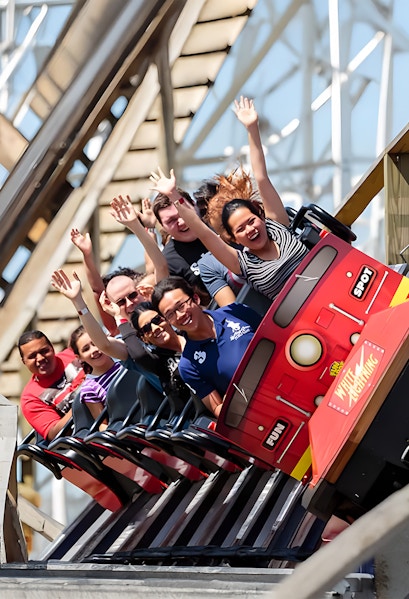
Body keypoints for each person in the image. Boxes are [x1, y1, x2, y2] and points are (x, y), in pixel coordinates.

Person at [151, 276, 262, 417]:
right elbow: (218, 408)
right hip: (259, 406)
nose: (180, 315)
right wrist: (232, 404)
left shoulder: (235, 312)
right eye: (170, 314)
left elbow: (276, 336)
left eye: (181, 306)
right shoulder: (188, 365)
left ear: (196, 299)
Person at [18, 330, 85, 441]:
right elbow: (55, 433)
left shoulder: (75, 353)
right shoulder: (30, 398)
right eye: (32, 356)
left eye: (44, 351)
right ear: (24, 361)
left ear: (52, 348)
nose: (40, 358)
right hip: (84, 435)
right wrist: (82, 398)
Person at [152, 188, 210, 304]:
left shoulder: (220, 225)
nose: (182, 222)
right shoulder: (169, 261)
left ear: (194, 205)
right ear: (162, 226)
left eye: (183, 212)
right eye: (171, 221)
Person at [69, 325, 125, 423]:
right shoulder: (89, 388)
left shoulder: (124, 359)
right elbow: (102, 425)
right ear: (79, 357)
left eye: (95, 343)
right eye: (86, 349)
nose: (93, 350)